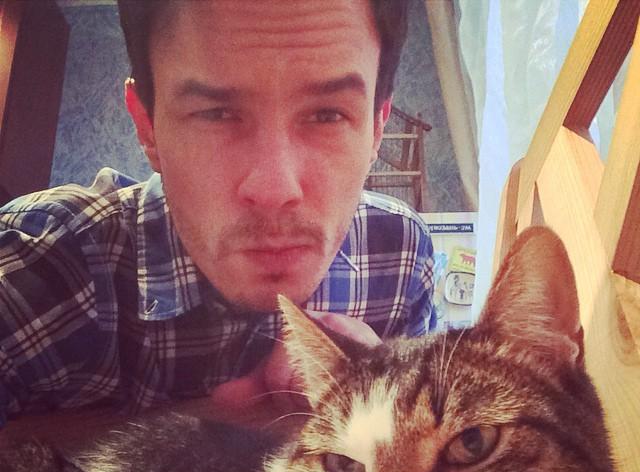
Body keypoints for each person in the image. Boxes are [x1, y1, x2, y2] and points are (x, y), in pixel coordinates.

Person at [0, 0, 435, 429]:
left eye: (328, 115)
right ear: (147, 127)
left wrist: (390, 398)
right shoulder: (42, 265)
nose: (275, 190)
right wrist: (229, 426)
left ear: (376, 129)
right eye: (217, 114)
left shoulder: (400, 257)